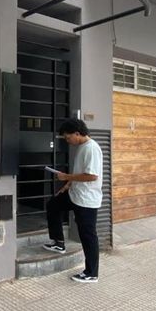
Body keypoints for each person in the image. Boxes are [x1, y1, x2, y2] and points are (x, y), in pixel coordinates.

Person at [42, 118, 103, 283]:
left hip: (86, 199)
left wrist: (66, 176)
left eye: (68, 137)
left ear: (77, 133)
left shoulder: (91, 148)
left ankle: (91, 273)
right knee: (53, 205)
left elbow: (92, 176)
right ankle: (59, 243)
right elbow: (80, 171)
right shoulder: (82, 147)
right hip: (75, 193)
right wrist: (67, 185)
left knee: (88, 235)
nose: (67, 141)